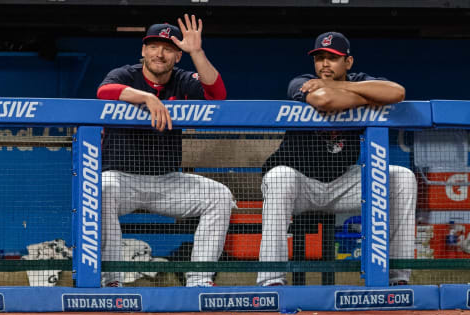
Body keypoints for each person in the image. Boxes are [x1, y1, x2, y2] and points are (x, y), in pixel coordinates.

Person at [257, 31, 416, 286]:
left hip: (342, 183)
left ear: (348, 63)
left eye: (332, 58)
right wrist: (366, 97)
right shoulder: (301, 81)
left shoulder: (358, 80)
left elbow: (397, 92)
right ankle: (271, 280)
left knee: (402, 178)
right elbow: (324, 100)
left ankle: (398, 279)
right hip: (300, 184)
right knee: (279, 176)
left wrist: (339, 86)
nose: (324, 64)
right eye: (319, 58)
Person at [96, 14, 234, 287]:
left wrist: (196, 51)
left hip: (166, 180)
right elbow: (104, 91)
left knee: (219, 195)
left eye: (169, 48)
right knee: (99, 189)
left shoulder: (183, 80)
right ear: (143, 51)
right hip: (123, 180)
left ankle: (200, 281)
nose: (160, 53)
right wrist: (146, 97)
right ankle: (111, 281)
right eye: (154, 46)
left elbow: (217, 94)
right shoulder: (126, 74)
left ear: (177, 55)